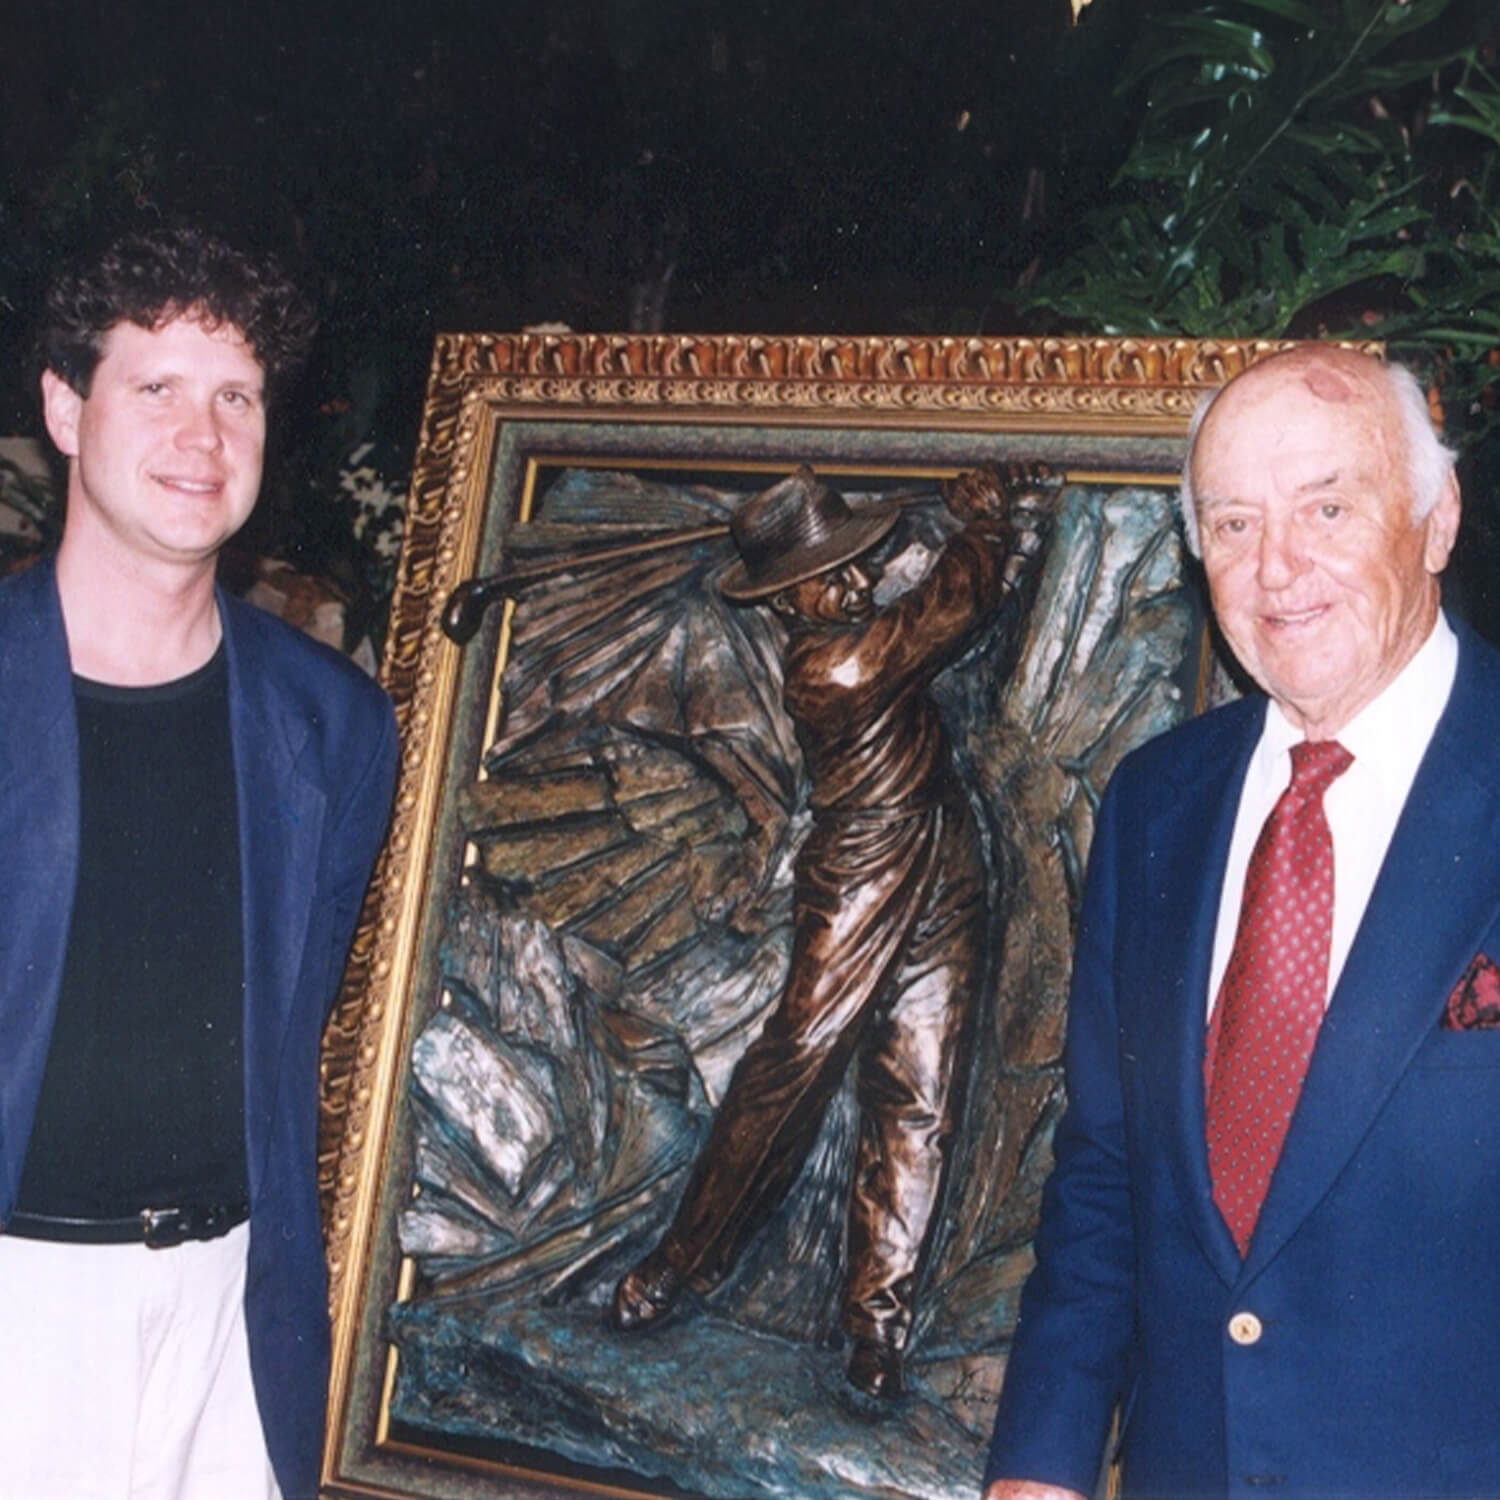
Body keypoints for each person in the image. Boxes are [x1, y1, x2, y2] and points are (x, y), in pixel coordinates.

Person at [979, 344, 1500, 1499]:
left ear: (1438, 519)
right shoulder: (1156, 803)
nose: (1277, 569)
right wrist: (1042, 1463)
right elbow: (1109, 1170)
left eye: (1327, 508)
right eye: (1232, 524)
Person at [0, 226, 398, 1500]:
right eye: (158, 386)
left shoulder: (332, 724)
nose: (203, 435)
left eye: (237, 396)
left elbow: (295, 1032)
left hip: (229, 1336)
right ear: (66, 409)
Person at [610, 463, 1052, 1400]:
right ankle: (681, 1262)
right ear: (784, 602)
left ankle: (877, 1329)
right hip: (859, 869)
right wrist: (981, 525)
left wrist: (1015, 528)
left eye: (855, 563)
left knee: (920, 1092)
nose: (854, 583)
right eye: (828, 577)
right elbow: (950, 610)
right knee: (794, 1063)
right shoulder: (831, 668)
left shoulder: (863, 637)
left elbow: (971, 615)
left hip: (943, 857)